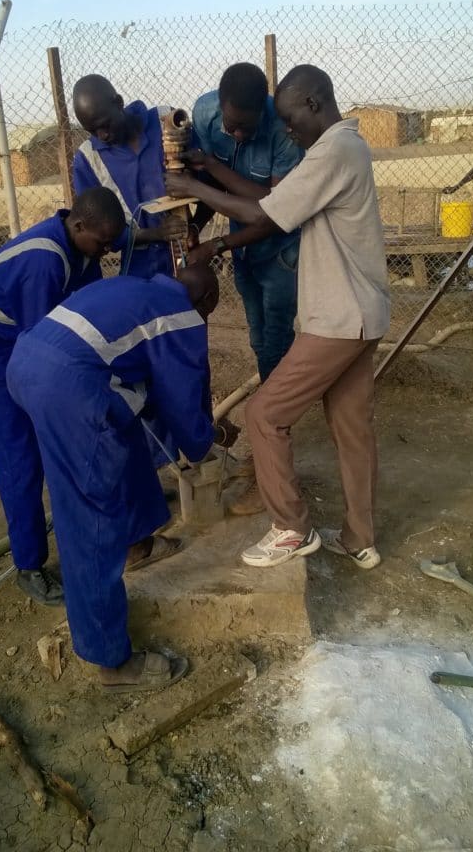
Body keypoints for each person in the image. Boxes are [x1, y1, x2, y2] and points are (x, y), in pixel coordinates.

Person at [166, 65, 391, 570]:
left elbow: (263, 213)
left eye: (290, 120)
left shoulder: (332, 151)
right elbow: (264, 201)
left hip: (336, 319)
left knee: (263, 415)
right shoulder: (346, 148)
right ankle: (360, 537)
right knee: (353, 425)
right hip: (362, 314)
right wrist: (206, 170)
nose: (287, 131)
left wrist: (193, 187)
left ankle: (291, 528)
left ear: (313, 104)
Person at [6, 265, 239, 691]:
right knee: (90, 515)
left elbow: (153, 391)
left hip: (28, 364)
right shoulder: (182, 315)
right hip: (70, 389)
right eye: (209, 312)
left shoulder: (138, 286)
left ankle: (136, 545)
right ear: (206, 301)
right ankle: (110, 660)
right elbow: (184, 408)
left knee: (125, 434)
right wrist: (212, 435)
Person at [0, 188, 125, 606]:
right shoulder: (43, 261)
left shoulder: (83, 243)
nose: (105, 252)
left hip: (18, 332)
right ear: (78, 226)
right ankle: (29, 565)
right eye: (101, 245)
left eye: (110, 246)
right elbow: (45, 349)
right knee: (18, 453)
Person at [185, 63, 304, 385]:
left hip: (282, 248)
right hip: (243, 245)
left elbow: (275, 210)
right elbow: (216, 187)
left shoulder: (282, 129)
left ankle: (273, 415)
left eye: (247, 128)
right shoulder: (205, 112)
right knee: (258, 336)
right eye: (233, 126)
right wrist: (195, 225)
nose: (239, 135)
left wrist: (217, 244)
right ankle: (274, 401)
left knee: (276, 338)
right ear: (221, 105)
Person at [72, 74, 188, 277]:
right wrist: (156, 234)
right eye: (92, 131)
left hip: (183, 252)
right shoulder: (88, 158)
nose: (102, 136)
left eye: (105, 125)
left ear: (118, 103)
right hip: (138, 265)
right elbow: (96, 226)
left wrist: (192, 227)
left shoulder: (166, 121)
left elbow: (202, 179)